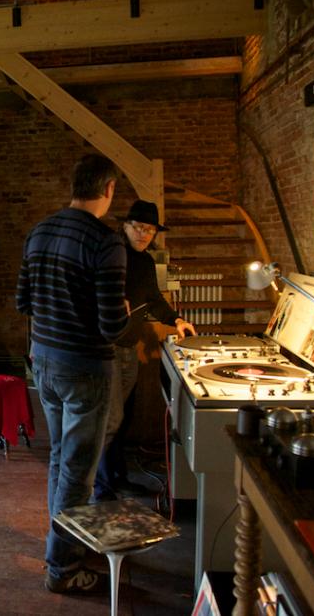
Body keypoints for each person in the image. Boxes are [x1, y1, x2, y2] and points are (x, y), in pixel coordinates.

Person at [16, 154, 130, 594]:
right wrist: (124, 311)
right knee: (79, 471)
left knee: (61, 459)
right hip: (85, 368)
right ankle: (62, 568)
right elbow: (112, 327)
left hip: (43, 362)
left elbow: (23, 301)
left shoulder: (39, 231)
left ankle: (62, 541)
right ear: (109, 189)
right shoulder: (106, 241)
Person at [93, 200, 196, 501]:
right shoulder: (112, 254)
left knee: (122, 418)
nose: (143, 234)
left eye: (149, 230)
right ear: (125, 226)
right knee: (110, 419)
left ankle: (117, 477)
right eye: (138, 227)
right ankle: (101, 487)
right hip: (106, 347)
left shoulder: (147, 262)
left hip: (129, 347)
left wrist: (176, 320)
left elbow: (153, 299)